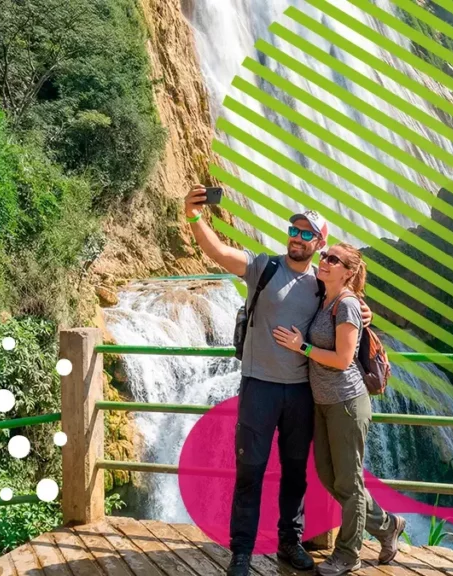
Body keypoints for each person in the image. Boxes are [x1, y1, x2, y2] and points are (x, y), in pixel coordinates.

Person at [183, 185, 373, 576]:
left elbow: (349, 306)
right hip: (259, 386)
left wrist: (365, 312)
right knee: (249, 471)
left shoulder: (322, 284)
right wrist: (193, 215)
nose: (297, 237)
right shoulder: (264, 267)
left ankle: (290, 542)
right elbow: (217, 252)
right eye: (294, 230)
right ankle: (241, 552)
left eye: (307, 234)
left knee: (295, 473)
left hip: (301, 392)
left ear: (319, 244)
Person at [273, 242, 406, 576]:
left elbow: (343, 359)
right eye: (324, 256)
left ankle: (348, 554)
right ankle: (388, 525)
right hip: (323, 403)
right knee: (330, 477)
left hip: (346, 402)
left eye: (334, 259)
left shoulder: (346, 304)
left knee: (349, 481)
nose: (325, 261)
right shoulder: (324, 297)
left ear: (348, 272)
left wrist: (301, 347)